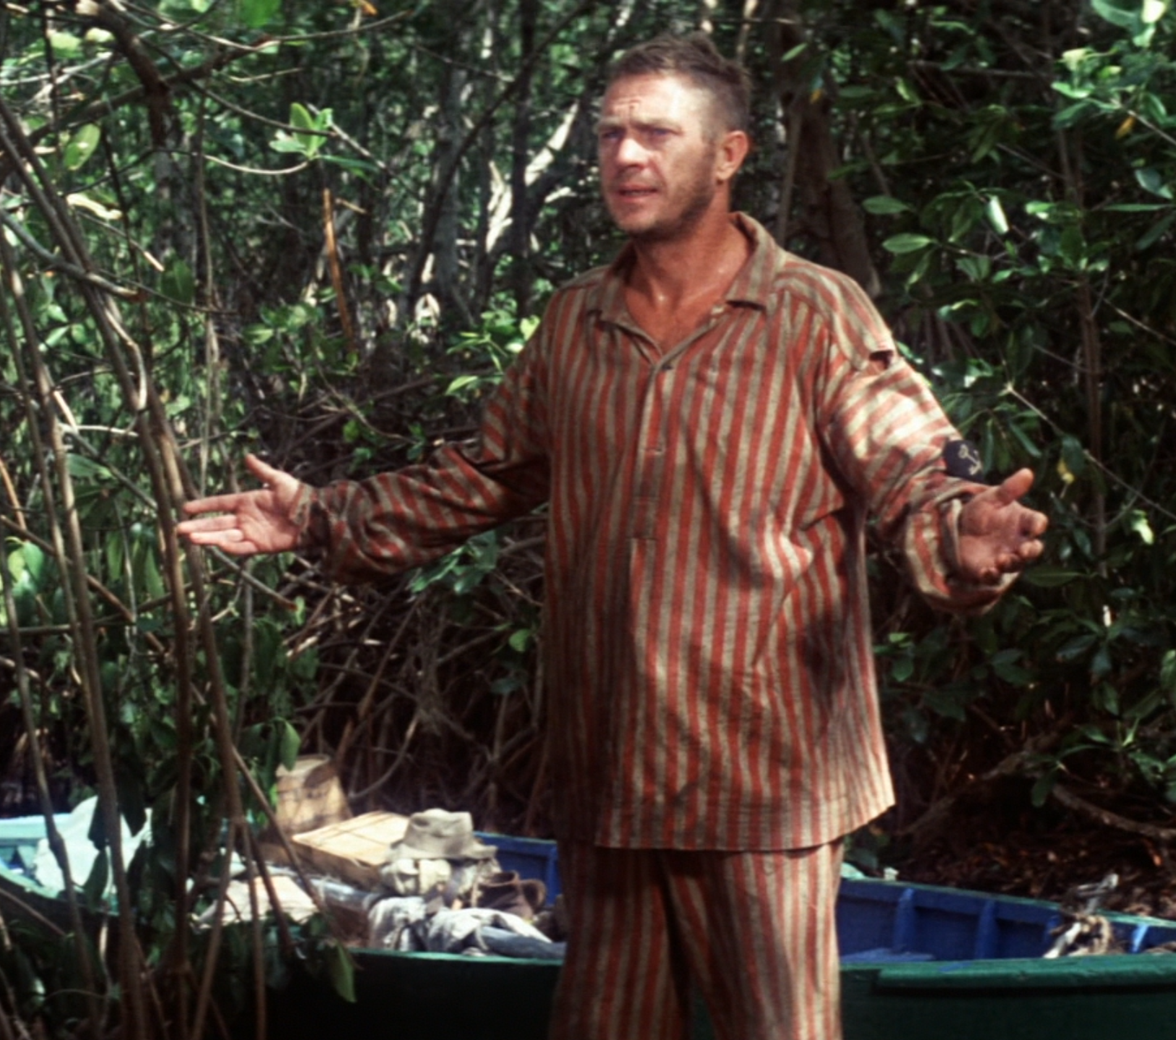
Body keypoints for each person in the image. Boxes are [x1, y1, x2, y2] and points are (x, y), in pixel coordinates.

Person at [174, 33, 1048, 1040]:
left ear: (727, 155)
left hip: (765, 781)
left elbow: (912, 468)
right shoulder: (574, 323)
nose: (626, 156)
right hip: (612, 773)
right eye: (610, 135)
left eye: (657, 134)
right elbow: (484, 473)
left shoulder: (815, 313)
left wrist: (961, 533)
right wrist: (320, 515)